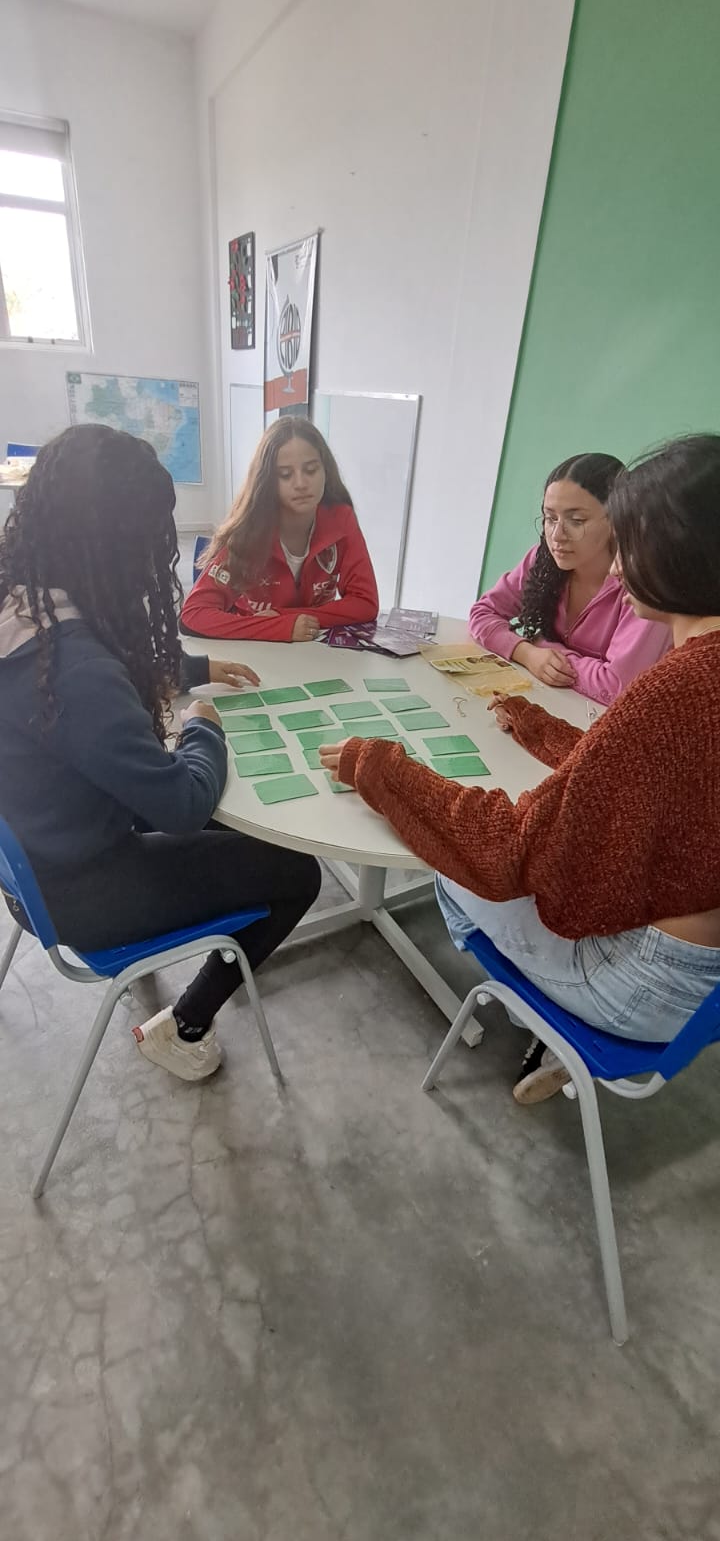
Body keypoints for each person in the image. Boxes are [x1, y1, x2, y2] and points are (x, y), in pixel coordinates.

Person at [320, 434, 720, 1103]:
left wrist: (382, 768)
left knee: (449, 867)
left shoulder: (672, 690)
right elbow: (646, 779)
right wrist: (546, 729)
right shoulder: (696, 676)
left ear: (682, 550)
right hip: (705, 986)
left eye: (629, 542)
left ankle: (546, 1026)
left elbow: (511, 849)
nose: (619, 567)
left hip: (645, 986)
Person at [0, 425, 320, 1082]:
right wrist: (203, 726)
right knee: (298, 872)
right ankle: (185, 1023)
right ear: (115, 547)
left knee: (240, 827)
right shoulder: (76, 671)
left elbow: (99, 663)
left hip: (35, 856)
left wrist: (190, 666)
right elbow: (180, 804)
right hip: (82, 890)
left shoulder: (24, 602)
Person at [469, 452, 671, 701]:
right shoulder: (544, 561)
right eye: (550, 518)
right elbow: (482, 613)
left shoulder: (644, 583)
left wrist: (543, 646)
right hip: (555, 704)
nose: (557, 536)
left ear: (616, 520)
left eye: (576, 521)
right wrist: (526, 653)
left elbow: (618, 686)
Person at [181, 418, 379, 642]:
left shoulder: (341, 519)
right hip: (254, 647)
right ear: (267, 481)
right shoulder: (249, 530)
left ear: (326, 471)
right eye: (285, 475)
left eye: (311, 470)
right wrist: (276, 627)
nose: (301, 483)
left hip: (313, 646)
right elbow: (193, 615)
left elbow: (365, 603)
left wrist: (285, 617)